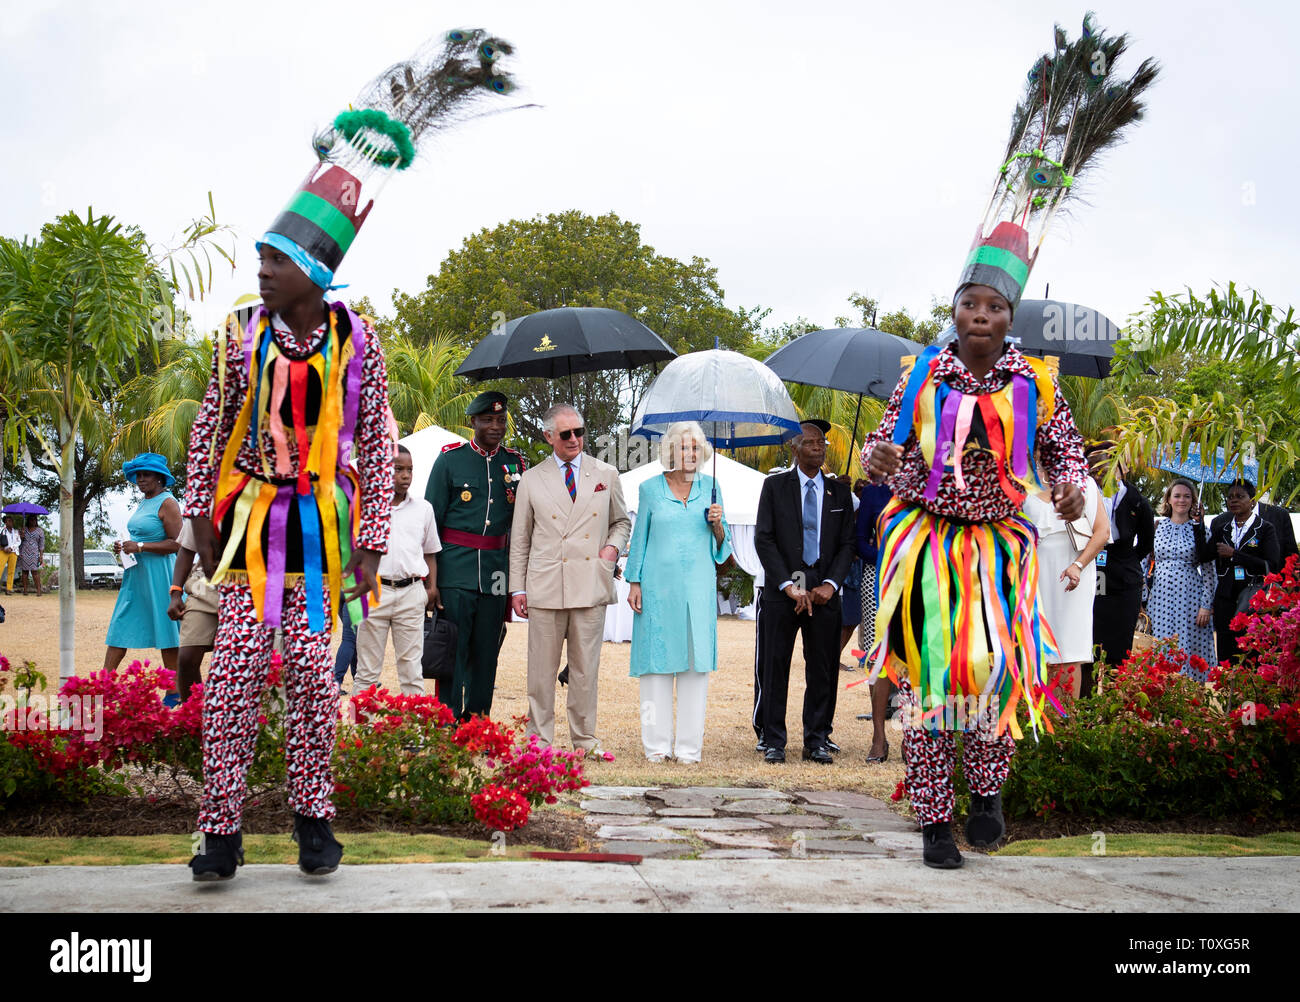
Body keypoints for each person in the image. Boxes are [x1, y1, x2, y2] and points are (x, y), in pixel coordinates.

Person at [863, 234, 1088, 870]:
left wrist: (1070, 488)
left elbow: (1063, 452)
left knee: (994, 672)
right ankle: (934, 820)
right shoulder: (923, 376)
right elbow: (885, 446)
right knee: (934, 677)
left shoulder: (1036, 382)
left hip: (999, 549)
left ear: (1009, 319)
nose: (982, 316)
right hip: (927, 547)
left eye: (994, 306)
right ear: (955, 313)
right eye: (970, 305)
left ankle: (986, 795)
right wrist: (879, 459)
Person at [509, 404, 630, 757]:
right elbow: (521, 539)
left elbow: (621, 522)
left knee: (584, 670)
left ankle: (585, 741)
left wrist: (612, 548)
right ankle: (538, 741)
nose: (575, 439)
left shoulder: (606, 473)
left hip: (590, 584)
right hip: (545, 587)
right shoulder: (531, 478)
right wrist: (518, 587)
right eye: (566, 434)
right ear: (549, 437)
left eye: (579, 431)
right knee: (541, 673)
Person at [624, 421, 732, 763]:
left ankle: (689, 750)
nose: (690, 453)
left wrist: (717, 524)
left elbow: (723, 550)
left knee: (693, 669)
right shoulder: (650, 489)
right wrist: (634, 582)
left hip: (697, 592)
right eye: (684, 447)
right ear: (672, 451)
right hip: (657, 590)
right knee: (655, 668)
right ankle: (655, 748)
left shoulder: (711, 487)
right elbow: (639, 537)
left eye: (696, 448)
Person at [754, 419, 857, 765]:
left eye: (822, 442)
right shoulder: (774, 487)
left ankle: (817, 739)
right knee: (775, 664)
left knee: (823, 667)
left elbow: (847, 544)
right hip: (784, 589)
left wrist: (830, 584)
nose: (818, 446)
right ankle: (773, 740)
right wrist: (789, 586)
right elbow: (764, 538)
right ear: (794, 448)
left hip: (825, 588)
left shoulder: (840, 492)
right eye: (811, 442)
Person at [425, 391, 527, 718]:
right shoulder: (450, 460)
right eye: (488, 420)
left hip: (496, 574)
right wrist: (432, 581)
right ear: (473, 422)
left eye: (500, 420)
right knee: (452, 649)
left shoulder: (514, 463)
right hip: (455, 571)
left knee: (487, 652)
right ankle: (448, 719)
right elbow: (431, 525)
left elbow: (521, 525)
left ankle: (478, 720)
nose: (496, 426)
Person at [353, 445, 442, 696]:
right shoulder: (365, 508)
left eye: (410, 470)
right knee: (367, 672)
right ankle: (362, 731)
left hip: (411, 593)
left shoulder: (423, 509)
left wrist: (432, 588)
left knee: (412, 671)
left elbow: (430, 552)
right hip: (375, 592)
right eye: (398, 469)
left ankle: (416, 734)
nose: (406, 476)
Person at [1022, 462, 1109, 698]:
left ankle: (1065, 726)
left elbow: (1102, 532)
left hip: (1072, 573)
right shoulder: (1021, 481)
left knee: (1068, 649)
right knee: (1033, 649)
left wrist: (1078, 566)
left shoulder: (1084, 483)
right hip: (1031, 573)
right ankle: (1033, 722)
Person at [1085, 442, 1155, 688]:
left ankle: (1114, 703)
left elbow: (1146, 543)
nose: (1102, 472)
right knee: (1089, 644)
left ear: (1122, 467)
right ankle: (1087, 704)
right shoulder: (1082, 495)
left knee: (1119, 646)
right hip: (1091, 572)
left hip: (1124, 577)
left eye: (1108, 464)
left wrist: (1126, 559)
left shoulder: (1137, 501)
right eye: (1095, 467)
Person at [104, 454, 182, 672]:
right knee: (119, 627)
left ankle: (173, 691)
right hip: (136, 575)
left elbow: (178, 544)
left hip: (161, 574)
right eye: (138, 475)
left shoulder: (168, 503)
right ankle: (102, 685)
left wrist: (140, 547)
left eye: (145, 474)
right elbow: (141, 537)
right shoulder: (144, 501)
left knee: (167, 632)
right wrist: (125, 547)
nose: (140, 479)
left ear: (159, 477)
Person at [1145, 479, 1217, 680]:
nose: (1181, 500)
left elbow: (1210, 572)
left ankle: (1190, 697)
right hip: (1160, 600)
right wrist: (1142, 600)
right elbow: (1142, 565)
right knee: (1160, 645)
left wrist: (1205, 605)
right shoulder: (1157, 527)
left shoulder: (1201, 530)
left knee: (1188, 646)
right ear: (1168, 499)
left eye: (1187, 496)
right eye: (1177, 495)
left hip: (1190, 599)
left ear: (1194, 500)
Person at [1206, 480, 1280, 663]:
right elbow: (1203, 555)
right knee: (1226, 650)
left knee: (1251, 651)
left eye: (1240, 497)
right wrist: (1198, 524)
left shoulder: (1265, 528)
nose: (1234, 501)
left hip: (1251, 596)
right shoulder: (1220, 527)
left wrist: (1235, 555)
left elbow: (1271, 565)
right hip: (1225, 596)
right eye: (1230, 497)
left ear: (1252, 501)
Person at [855, 479, 894, 761]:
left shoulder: (926, 483)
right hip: (877, 577)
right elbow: (857, 539)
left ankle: (913, 735)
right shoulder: (873, 492)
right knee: (877, 655)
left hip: (921, 578)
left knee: (917, 655)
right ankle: (878, 737)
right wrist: (883, 556)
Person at [166, 518, 220, 701]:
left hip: (249, 587)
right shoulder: (204, 502)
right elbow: (187, 549)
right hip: (203, 587)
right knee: (187, 658)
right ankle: (194, 716)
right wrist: (175, 592)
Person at [17, 515, 44, 596]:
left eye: (34, 520)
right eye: (31, 520)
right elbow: (18, 541)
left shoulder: (40, 531)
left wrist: (41, 556)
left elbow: (41, 545)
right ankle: (25, 590)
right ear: (28, 520)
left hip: (34, 553)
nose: (32, 521)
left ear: (36, 521)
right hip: (24, 552)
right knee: (24, 572)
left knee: (34, 572)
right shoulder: (23, 529)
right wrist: (21, 536)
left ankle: (38, 590)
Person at [1, 515, 21, 595]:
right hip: (3, 552)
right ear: (5, 522)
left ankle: (9, 589)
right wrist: (5, 548)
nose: (11, 522)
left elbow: (18, 541)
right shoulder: (1, 530)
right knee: (0, 568)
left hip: (13, 552)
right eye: (9, 521)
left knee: (11, 571)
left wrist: (11, 548)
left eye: (12, 521)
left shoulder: (16, 531)